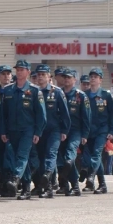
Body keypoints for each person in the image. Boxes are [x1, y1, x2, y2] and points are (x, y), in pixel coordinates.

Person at [1, 60, 46, 200]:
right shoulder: (8, 90)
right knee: (20, 158)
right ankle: (26, 188)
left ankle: (15, 179)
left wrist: (38, 132)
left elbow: (41, 115)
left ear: (28, 72)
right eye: (17, 69)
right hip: (12, 130)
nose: (19, 72)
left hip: (28, 130)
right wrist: (3, 131)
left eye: (22, 70)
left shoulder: (34, 90)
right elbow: (3, 114)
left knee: (22, 155)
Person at [34, 64, 71, 198]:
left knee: (51, 153)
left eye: (43, 74)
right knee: (41, 157)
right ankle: (47, 187)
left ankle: (48, 174)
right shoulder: (34, 92)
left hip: (54, 130)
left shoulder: (56, 92)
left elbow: (65, 113)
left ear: (49, 76)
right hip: (39, 131)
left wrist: (65, 130)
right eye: (38, 75)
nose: (41, 77)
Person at [81, 68, 113, 194]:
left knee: (96, 153)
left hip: (102, 130)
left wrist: (112, 130)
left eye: (95, 77)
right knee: (94, 157)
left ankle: (90, 175)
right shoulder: (84, 95)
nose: (92, 79)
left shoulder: (106, 95)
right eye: (91, 76)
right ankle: (102, 184)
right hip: (89, 130)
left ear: (100, 80)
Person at [57, 69, 91, 196]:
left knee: (69, 157)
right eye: (65, 77)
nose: (66, 80)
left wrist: (85, 134)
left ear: (75, 80)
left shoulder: (80, 95)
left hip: (75, 131)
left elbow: (86, 117)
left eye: (69, 77)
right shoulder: (57, 93)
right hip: (60, 130)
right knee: (62, 158)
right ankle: (74, 186)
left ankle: (65, 178)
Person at [0, 65, 12, 194]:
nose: (6, 76)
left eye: (8, 74)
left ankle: (10, 183)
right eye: (3, 74)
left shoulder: (15, 90)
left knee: (10, 157)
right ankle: (0, 183)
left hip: (12, 129)